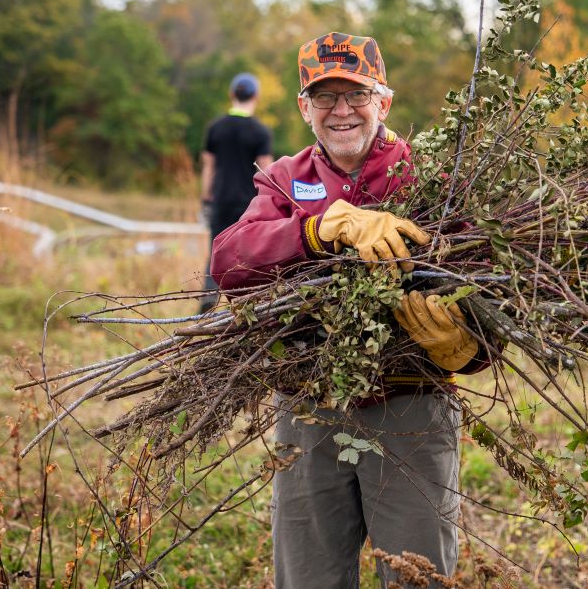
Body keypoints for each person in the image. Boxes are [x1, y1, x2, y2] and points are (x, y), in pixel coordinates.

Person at [210, 33, 490, 588]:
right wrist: (314, 230)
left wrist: (467, 349)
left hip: (411, 407)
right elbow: (228, 262)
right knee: (309, 579)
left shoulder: (430, 178)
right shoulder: (286, 180)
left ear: (383, 102)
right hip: (309, 408)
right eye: (324, 97)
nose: (341, 111)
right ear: (304, 108)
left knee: (420, 579)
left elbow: (488, 294)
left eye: (355, 95)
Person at [199, 72, 273, 309]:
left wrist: (206, 200)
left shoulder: (215, 128)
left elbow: (208, 168)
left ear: (232, 94)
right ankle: (246, 309)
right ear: (256, 97)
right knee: (247, 256)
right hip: (248, 206)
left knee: (215, 253)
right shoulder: (261, 132)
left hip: (220, 201)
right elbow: (266, 172)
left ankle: (207, 306)